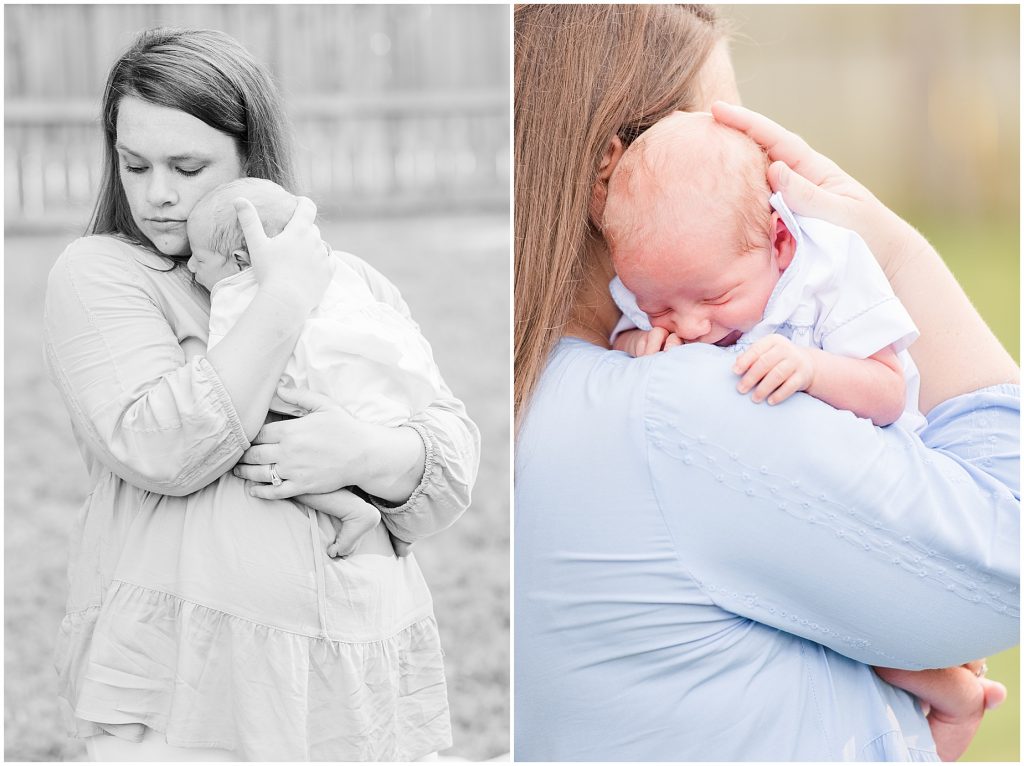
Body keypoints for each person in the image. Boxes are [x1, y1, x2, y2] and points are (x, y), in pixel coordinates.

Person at [514, 4, 1018, 762]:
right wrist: (894, 249)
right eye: (733, 128)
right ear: (612, 177)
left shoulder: (550, 383)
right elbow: (1006, 562)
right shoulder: (683, 406)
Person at [44, 27, 479, 761]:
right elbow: (161, 446)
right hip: (189, 686)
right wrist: (278, 302)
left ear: (251, 161)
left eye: (188, 166)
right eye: (135, 164)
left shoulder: (350, 284)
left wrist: (364, 451)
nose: (159, 194)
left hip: (349, 668)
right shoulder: (102, 277)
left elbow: (452, 467)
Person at [605, 110, 922, 429]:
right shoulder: (659, 276)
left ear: (781, 243)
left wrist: (812, 370)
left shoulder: (827, 273)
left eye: (715, 297)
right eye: (659, 307)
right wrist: (638, 344)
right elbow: (619, 338)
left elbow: (889, 392)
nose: (688, 328)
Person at [187, 177, 446, 558]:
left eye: (200, 258)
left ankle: (351, 509)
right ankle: (404, 526)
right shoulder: (332, 267)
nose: (191, 265)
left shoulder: (235, 293)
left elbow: (228, 370)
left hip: (331, 405)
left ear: (242, 260)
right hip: (387, 391)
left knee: (259, 440)